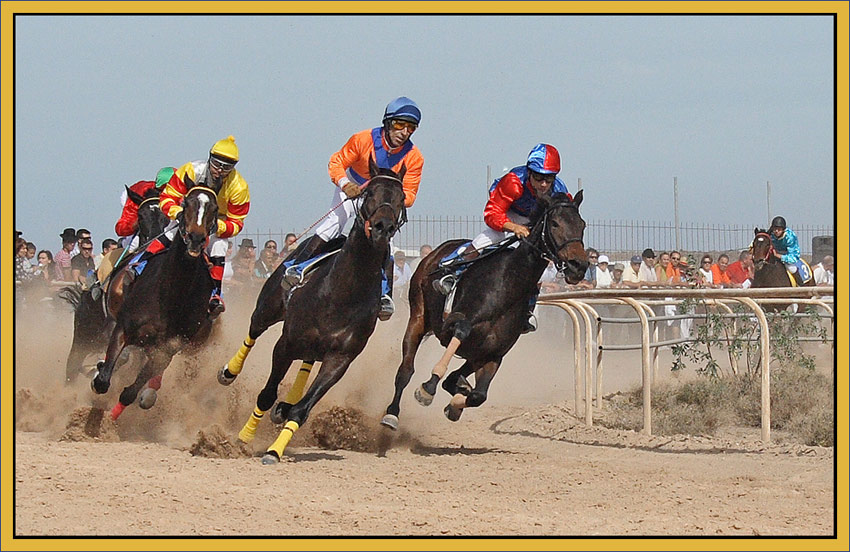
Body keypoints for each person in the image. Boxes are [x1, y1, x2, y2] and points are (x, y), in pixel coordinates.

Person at [283, 97, 425, 321]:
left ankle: (385, 295)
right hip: (354, 186)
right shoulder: (362, 139)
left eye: (411, 128)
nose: (404, 132)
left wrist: (391, 196)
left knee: (382, 236)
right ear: (387, 123)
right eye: (399, 125)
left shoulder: (415, 157)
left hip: (380, 199)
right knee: (334, 224)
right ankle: (298, 266)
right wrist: (344, 184)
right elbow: (336, 162)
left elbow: (410, 196)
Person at [435, 143, 570, 333]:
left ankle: (526, 310)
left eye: (549, 179)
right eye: (539, 178)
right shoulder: (514, 182)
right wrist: (513, 227)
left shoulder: (560, 190)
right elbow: (491, 214)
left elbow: (565, 217)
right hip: (505, 210)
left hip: (534, 219)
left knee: (536, 261)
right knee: (489, 239)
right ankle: (451, 271)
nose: (544, 184)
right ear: (529, 172)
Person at [153, 135, 250, 315]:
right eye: (217, 164)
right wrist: (179, 214)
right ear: (210, 158)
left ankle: (215, 294)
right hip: (188, 215)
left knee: (219, 246)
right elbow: (167, 197)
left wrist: (218, 227)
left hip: (214, 221)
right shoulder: (191, 170)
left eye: (226, 167)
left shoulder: (239, 187)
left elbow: (237, 221)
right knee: (167, 234)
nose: (220, 170)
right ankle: (137, 267)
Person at [115, 167, 175, 250]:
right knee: (134, 245)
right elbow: (120, 228)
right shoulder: (140, 192)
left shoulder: (183, 193)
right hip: (140, 233)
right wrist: (138, 223)